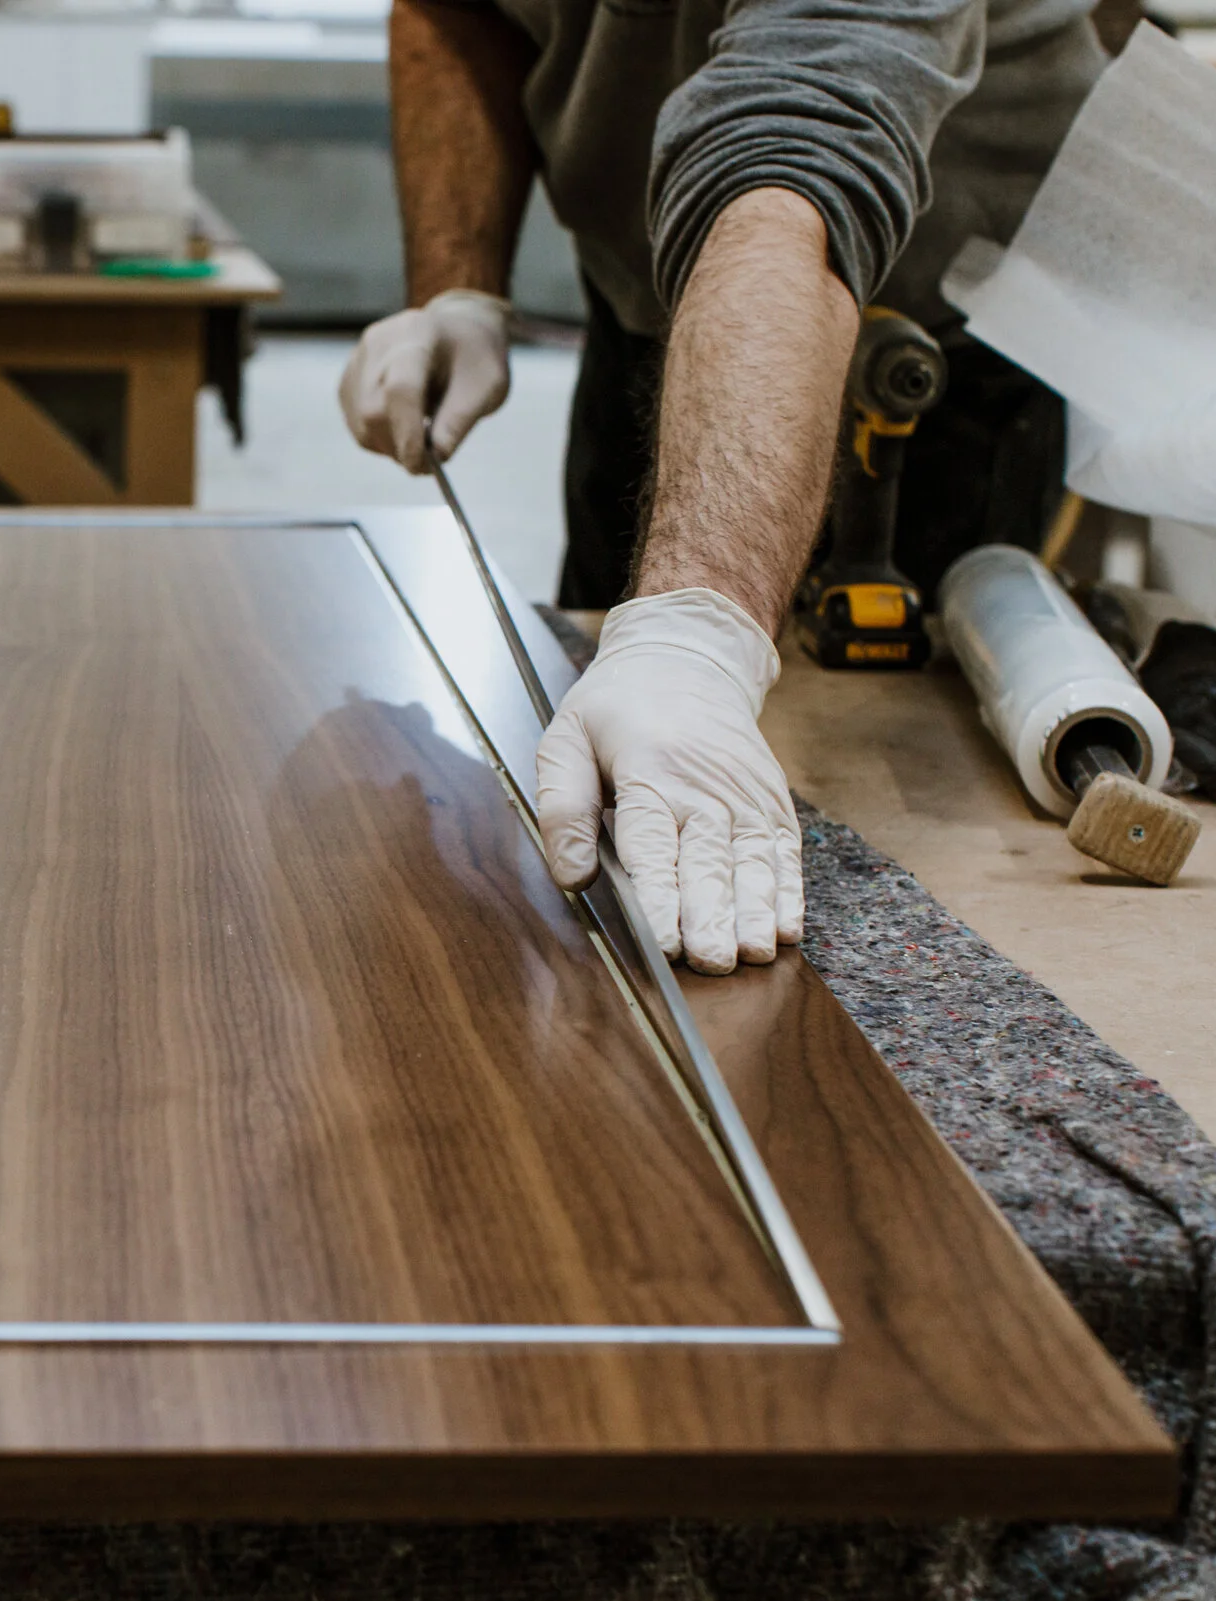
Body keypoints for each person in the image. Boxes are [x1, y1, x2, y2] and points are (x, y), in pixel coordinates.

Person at [340, 0, 1108, 973]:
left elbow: (794, 173)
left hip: (941, 306)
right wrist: (458, 288)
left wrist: (695, 632)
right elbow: (456, 11)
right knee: (613, 752)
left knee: (926, 773)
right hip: (655, 292)